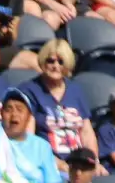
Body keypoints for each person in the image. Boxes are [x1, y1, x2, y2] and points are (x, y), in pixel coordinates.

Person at [20, 40, 97, 171]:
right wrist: (59, 164)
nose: (55, 66)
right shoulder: (29, 90)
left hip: (80, 163)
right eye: (51, 61)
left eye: (61, 62)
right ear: (43, 61)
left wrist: (93, 161)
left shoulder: (76, 90)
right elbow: (29, 139)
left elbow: (86, 132)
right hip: (48, 164)